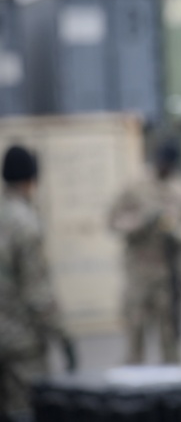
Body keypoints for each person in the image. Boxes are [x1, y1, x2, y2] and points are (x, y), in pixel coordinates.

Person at [0, 144, 76, 422]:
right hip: (21, 342)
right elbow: (37, 293)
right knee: (25, 409)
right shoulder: (25, 223)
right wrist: (64, 337)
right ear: (31, 180)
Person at [109, 139, 181, 365]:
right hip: (140, 274)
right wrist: (141, 222)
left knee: (171, 338)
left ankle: (174, 384)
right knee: (135, 333)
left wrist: (173, 230)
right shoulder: (135, 186)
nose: (164, 168)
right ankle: (133, 381)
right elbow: (114, 221)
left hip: (171, 277)